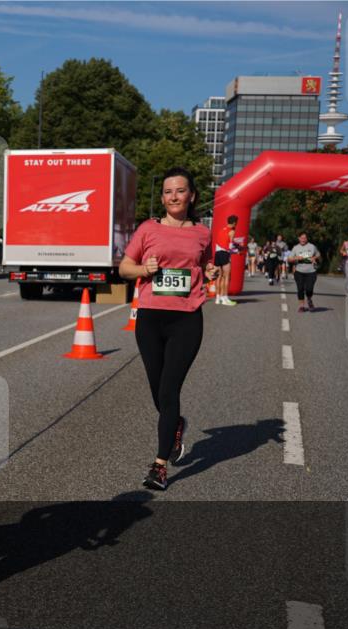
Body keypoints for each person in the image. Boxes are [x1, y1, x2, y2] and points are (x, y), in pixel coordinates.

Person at [119, 166, 218, 491]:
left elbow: (206, 263)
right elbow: (124, 268)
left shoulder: (203, 233)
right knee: (157, 391)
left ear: (191, 196)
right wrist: (142, 268)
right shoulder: (148, 229)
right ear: (162, 197)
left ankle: (159, 465)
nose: (173, 196)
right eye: (168, 191)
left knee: (169, 390)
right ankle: (176, 425)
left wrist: (212, 270)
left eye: (180, 190)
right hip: (149, 319)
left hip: (186, 320)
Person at [288, 231, 320, 312]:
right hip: (299, 271)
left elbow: (318, 254)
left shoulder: (312, 246)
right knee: (300, 289)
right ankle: (301, 306)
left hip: (311, 271)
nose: (303, 239)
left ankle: (309, 299)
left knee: (309, 289)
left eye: (304, 238)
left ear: (307, 238)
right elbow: (289, 259)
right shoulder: (296, 248)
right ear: (299, 238)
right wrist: (296, 258)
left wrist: (314, 258)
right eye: (301, 238)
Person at [213, 215, 238, 306]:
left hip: (217, 253)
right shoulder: (232, 231)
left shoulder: (221, 230)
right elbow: (231, 247)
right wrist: (237, 251)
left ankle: (217, 298)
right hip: (224, 253)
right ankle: (225, 298)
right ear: (235, 222)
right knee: (226, 276)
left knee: (218, 277)